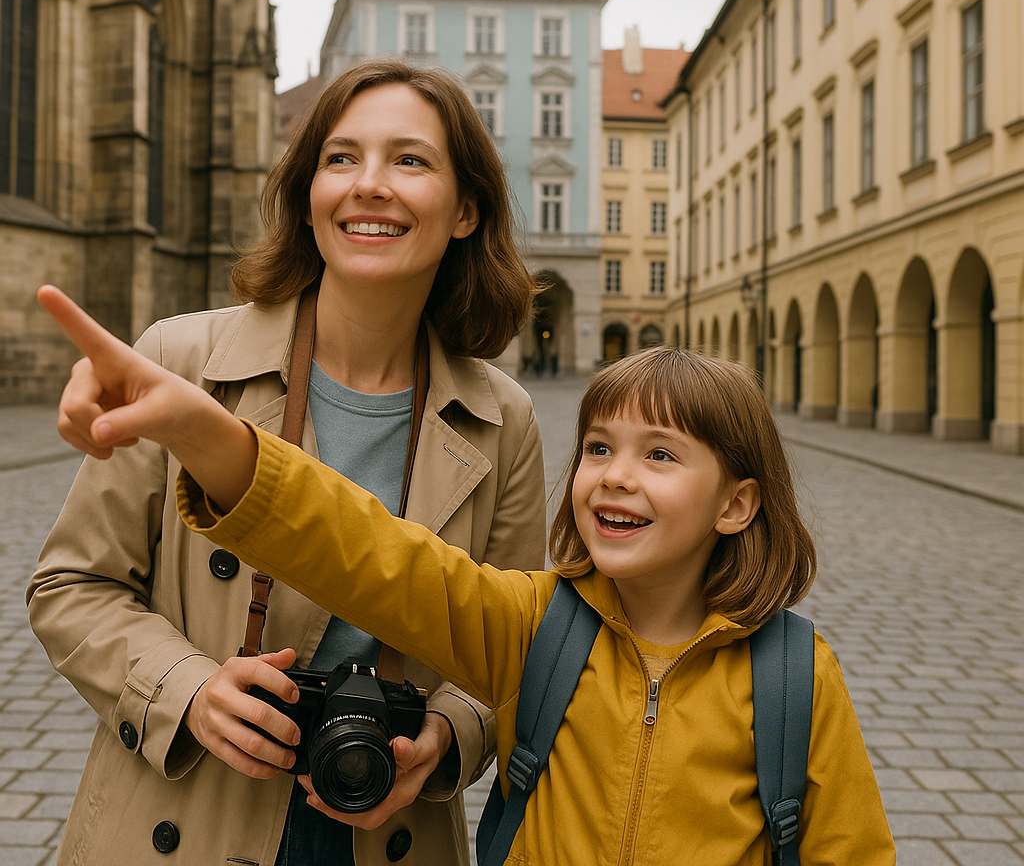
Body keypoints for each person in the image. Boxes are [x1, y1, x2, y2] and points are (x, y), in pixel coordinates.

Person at [39, 289, 896, 865]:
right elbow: (369, 553)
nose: (615, 477)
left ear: (737, 505)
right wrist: (208, 435)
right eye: (599, 448)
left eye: (660, 455)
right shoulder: (535, 626)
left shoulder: (795, 677)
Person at [27, 59, 547, 866]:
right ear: (309, 198)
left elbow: (510, 658)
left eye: (410, 160)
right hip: (186, 808)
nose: (368, 184)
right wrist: (188, 689)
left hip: (387, 826)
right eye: (341, 158)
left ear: (466, 211)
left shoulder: (502, 419)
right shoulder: (180, 362)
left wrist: (446, 735)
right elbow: (71, 586)